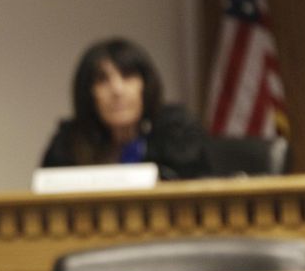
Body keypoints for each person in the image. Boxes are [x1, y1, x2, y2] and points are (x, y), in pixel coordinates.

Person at [41, 37, 210, 179]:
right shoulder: (68, 143)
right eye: (102, 80)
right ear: (89, 93)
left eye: (127, 76)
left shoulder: (176, 133)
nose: (117, 90)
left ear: (145, 85)